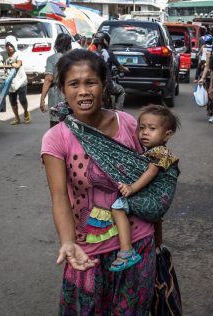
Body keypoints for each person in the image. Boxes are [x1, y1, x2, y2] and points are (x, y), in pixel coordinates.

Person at [41, 49, 155, 314]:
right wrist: (67, 243)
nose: (83, 91)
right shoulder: (57, 138)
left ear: (104, 85)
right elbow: (59, 197)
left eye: (91, 82)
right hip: (87, 251)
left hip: (137, 244)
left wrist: (157, 242)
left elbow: (151, 180)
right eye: (74, 84)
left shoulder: (127, 123)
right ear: (62, 88)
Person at [109, 104, 179, 272]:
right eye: (142, 128)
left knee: (117, 207)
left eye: (152, 128)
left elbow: (151, 172)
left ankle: (126, 252)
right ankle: (158, 245)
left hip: (154, 203)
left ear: (167, 135)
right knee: (156, 218)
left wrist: (131, 188)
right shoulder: (157, 152)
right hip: (159, 207)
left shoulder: (160, 152)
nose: (145, 132)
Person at [0, 35, 30, 125]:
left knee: (22, 99)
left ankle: (26, 112)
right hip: (10, 81)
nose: (9, 48)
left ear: (14, 45)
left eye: (11, 45)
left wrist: (17, 64)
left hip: (20, 80)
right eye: (7, 46)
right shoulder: (3, 54)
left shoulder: (19, 54)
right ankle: (17, 118)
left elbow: (19, 62)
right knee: (12, 100)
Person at [40, 33, 72, 128]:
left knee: (56, 122)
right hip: (71, 92)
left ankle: (57, 141)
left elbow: (49, 79)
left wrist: (42, 99)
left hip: (57, 94)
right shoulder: (73, 58)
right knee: (70, 120)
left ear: (57, 44)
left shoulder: (52, 58)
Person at [94, 31, 129, 110]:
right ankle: (118, 112)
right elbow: (120, 67)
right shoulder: (108, 52)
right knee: (121, 91)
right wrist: (125, 69)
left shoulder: (92, 54)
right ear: (106, 41)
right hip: (106, 85)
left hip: (93, 84)